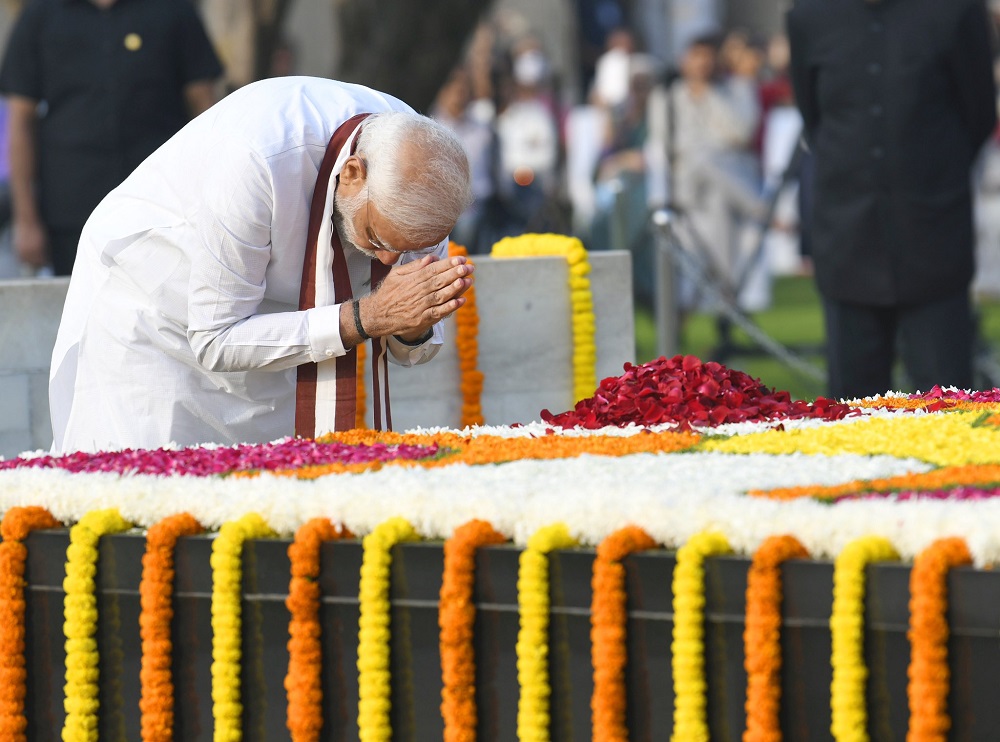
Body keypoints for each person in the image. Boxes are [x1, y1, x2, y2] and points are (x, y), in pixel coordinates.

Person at [49, 76, 474, 453]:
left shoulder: (423, 171)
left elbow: (410, 348)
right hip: (158, 319)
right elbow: (214, 339)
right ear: (352, 173)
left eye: (407, 248)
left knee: (266, 497)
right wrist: (366, 317)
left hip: (283, 339)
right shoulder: (259, 157)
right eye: (376, 238)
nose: (387, 260)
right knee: (148, 492)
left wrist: (414, 319)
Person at [787, 0, 998, 399]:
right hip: (847, 241)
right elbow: (815, 118)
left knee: (947, 404)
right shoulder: (810, 16)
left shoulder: (954, 10)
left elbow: (978, 113)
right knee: (853, 410)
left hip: (933, 239)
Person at [0, 0, 223, 276]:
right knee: (77, 300)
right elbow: (21, 120)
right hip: (71, 209)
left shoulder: (173, 9)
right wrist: (25, 220)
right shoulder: (40, 14)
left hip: (162, 206)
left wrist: (214, 204)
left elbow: (205, 108)